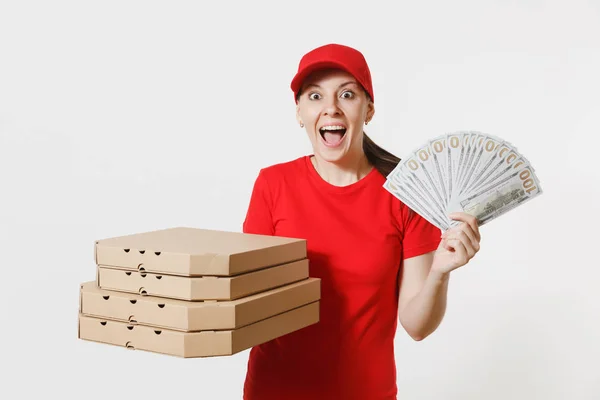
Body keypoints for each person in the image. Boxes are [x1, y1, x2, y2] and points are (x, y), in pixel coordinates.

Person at [241, 43, 482, 400]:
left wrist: (440, 272)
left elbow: (417, 326)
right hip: (276, 391)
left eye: (347, 94)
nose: (330, 109)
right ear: (299, 112)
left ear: (368, 109)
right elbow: (249, 303)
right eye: (315, 96)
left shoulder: (406, 195)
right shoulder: (272, 185)